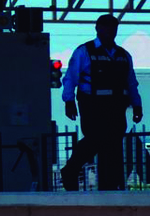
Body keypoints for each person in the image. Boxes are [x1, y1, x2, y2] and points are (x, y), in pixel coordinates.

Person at [60, 14, 143, 190]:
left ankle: (109, 186)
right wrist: (69, 101)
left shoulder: (123, 55)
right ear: (97, 29)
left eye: (112, 27)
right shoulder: (84, 51)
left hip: (116, 105)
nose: (109, 31)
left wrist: (137, 104)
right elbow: (70, 77)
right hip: (92, 103)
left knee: (113, 144)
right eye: (105, 27)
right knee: (96, 138)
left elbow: (131, 82)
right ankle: (71, 169)